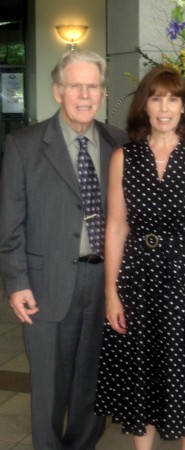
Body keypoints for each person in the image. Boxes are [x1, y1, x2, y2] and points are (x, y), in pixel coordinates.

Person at [94, 65, 185, 450]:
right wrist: (111, 293)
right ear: (145, 105)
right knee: (141, 373)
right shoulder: (124, 157)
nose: (165, 107)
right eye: (156, 98)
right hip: (137, 281)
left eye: (174, 99)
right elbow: (117, 228)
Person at [0, 50, 128, 449]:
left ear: (104, 93)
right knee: (49, 391)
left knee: (92, 389)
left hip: (104, 285)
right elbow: (10, 223)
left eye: (93, 86)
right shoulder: (23, 145)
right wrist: (17, 282)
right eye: (76, 86)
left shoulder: (119, 143)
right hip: (45, 286)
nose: (85, 95)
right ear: (58, 91)